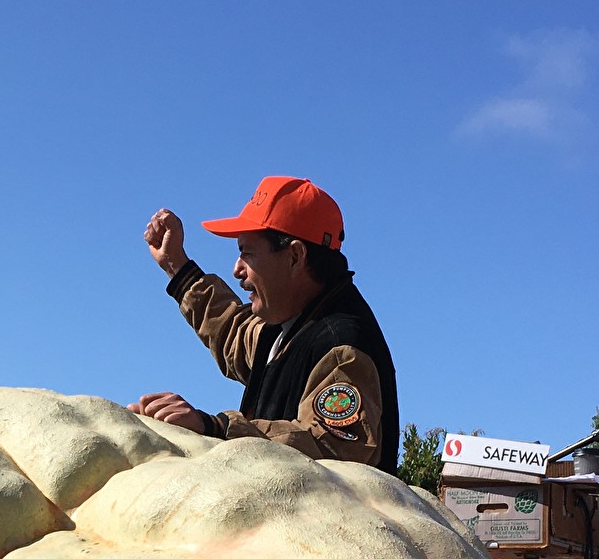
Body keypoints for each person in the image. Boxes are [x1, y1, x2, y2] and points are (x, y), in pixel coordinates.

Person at [131, 175, 401, 473]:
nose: (236, 269)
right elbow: (233, 331)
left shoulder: (341, 346)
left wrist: (216, 428)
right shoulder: (288, 326)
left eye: (246, 252)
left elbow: (331, 451)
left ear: (295, 256)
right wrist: (176, 266)